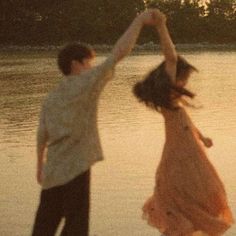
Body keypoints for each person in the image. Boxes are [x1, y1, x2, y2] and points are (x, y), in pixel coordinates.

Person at [32, 9, 161, 236]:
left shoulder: (51, 96)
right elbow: (119, 53)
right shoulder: (86, 83)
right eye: (89, 63)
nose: (92, 67)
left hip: (53, 170)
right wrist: (139, 21)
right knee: (77, 226)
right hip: (77, 167)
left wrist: (39, 165)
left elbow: (42, 133)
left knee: (44, 226)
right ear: (76, 64)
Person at [133, 11, 234, 236]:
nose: (186, 82)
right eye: (184, 77)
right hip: (179, 157)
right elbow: (171, 57)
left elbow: (185, 123)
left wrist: (202, 136)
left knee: (199, 197)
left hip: (191, 155)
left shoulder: (175, 103)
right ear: (174, 78)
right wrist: (161, 27)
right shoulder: (168, 98)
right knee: (184, 200)